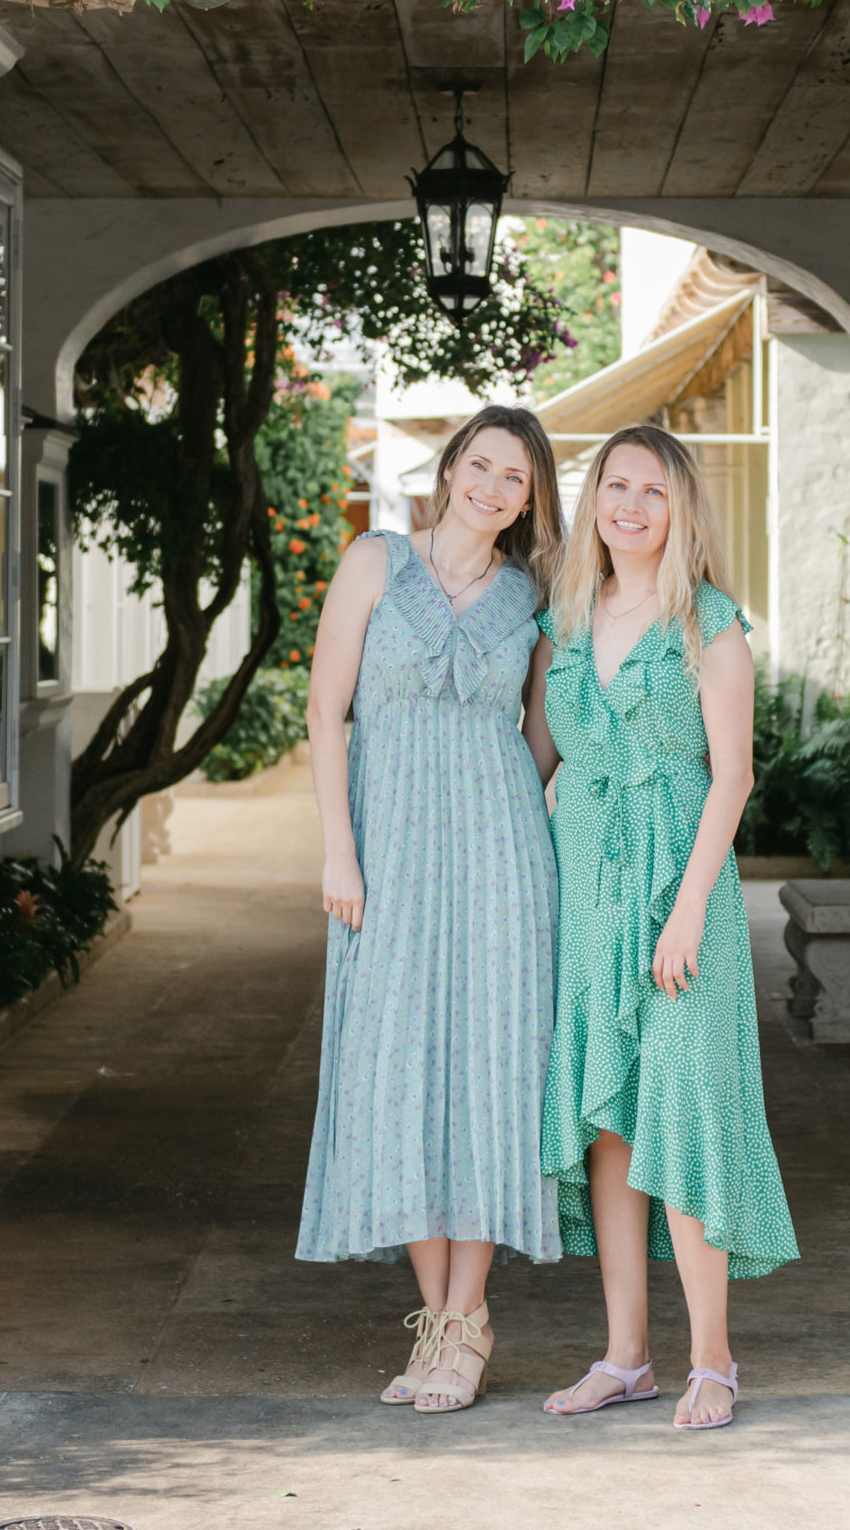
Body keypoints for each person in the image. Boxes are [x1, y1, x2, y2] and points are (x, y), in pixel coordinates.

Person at [528, 424, 798, 1433]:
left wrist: (686, 906)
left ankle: (713, 1359)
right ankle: (625, 1356)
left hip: (682, 891)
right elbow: (534, 762)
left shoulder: (707, 621)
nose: (628, 505)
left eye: (650, 489)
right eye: (613, 485)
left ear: (679, 508)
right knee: (608, 1123)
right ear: (593, 498)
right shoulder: (564, 616)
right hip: (585, 890)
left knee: (683, 1108)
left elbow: (732, 774)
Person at [296, 404, 564, 1413]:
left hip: (499, 859)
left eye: (516, 480)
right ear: (450, 468)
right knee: (393, 1067)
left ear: (530, 500)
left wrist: (498, 821)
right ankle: (444, 1318)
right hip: (385, 853)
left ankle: (463, 1322)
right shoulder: (373, 561)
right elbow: (327, 710)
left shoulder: (532, 595)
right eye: (481, 467)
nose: (492, 489)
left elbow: (540, 739)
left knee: (489, 1071)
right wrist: (339, 847)